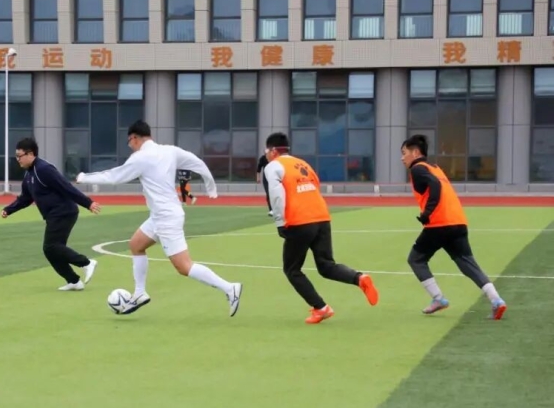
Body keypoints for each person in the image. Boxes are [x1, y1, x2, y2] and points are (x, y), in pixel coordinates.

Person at [76, 120, 242, 316]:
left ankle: (229, 288)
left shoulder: (141, 158)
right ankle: (139, 293)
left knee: (184, 266)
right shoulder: (169, 151)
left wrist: (84, 178)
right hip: (160, 215)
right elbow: (196, 162)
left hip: (166, 218)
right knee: (136, 244)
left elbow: (114, 176)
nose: (130, 146)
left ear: (134, 138)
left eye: (129, 142)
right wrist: (211, 186)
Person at [262, 132, 379, 324]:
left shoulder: (273, 166)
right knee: (326, 265)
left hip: (300, 220)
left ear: (273, 151)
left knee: (292, 269)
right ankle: (359, 278)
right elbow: (315, 185)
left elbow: (276, 195)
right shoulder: (303, 164)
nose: (266, 155)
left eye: (266, 151)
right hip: (321, 217)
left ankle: (321, 308)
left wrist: (280, 222)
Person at [401, 134, 507, 320]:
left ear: (415, 153)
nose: (402, 158)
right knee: (467, 263)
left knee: (416, 259)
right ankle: (496, 300)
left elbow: (435, 186)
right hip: (458, 222)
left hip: (439, 224)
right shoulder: (435, 168)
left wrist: (427, 212)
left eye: (404, 153)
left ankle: (438, 298)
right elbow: (438, 186)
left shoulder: (417, 169)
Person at [2, 137, 100, 291]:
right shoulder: (29, 175)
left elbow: (66, 187)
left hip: (64, 212)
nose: (17, 159)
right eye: (16, 156)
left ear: (30, 154)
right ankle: (74, 281)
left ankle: (86, 263)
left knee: (51, 246)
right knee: (51, 250)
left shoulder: (44, 169)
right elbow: (25, 198)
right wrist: (9, 209)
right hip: (54, 215)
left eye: (19, 156)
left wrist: (88, 203)